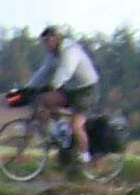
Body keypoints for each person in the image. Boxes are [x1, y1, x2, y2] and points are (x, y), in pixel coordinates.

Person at [16, 27, 102, 165]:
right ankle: (60, 131)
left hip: (87, 91)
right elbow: (43, 72)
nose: (45, 45)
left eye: (47, 41)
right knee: (45, 100)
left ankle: (86, 158)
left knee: (76, 125)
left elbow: (66, 71)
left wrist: (53, 85)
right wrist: (28, 89)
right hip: (72, 90)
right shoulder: (53, 54)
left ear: (55, 39)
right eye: (43, 42)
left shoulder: (70, 51)